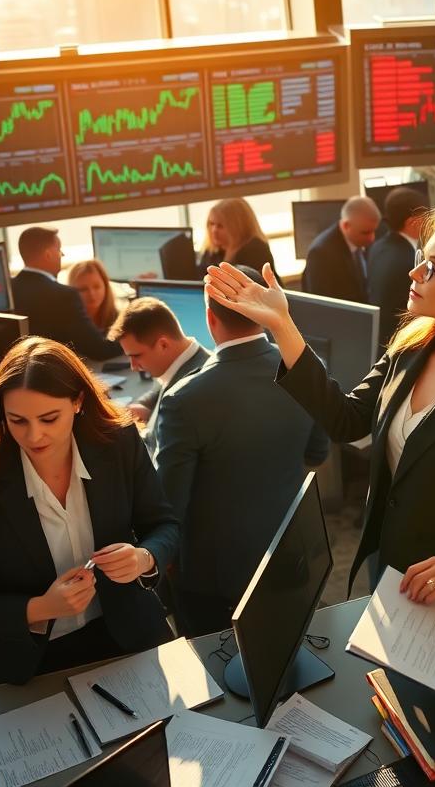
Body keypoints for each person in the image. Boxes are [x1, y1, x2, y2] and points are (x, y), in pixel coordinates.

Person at [204, 207, 435, 600]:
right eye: (421, 259)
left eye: (434, 268)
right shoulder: (410, 350)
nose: (414, 274)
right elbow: (346, 420)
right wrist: (282, 324)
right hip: (389, 563)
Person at [0, 337, 179, 689]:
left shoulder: (120, 443)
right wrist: (39, 608)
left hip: (122, 634)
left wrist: (144, 558)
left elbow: (163, 525)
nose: (34, 435)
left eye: (49, 418)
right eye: (17, 420)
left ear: (78, 402)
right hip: (23, 656)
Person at [153, 266, 329, 636]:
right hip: (287, 553)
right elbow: (317, 451)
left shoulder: (183, 399)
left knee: (215, 673)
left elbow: (168, 504)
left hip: (211, 578)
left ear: (209, 319)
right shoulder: (306, 371)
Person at [107, 298, 210, 446]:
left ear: (163, 345)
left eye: (136, 356)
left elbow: (157, 453)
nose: (133, 367)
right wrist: (145, 406)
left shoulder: (185, 397)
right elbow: (163, 384)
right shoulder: (188, 362)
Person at [11, 227, 122, 361]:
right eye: (58, 250)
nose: (61, 255)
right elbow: (99, 350)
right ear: (48, 255)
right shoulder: (64, 296)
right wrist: (136, 342)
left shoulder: (9, 289)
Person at [368, 187, 429, 347]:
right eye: (426, 217)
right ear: (412, 222)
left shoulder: (377, 247)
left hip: (378, 338)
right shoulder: (408, 264)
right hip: (400, 344)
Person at [301, 196, 380, 303]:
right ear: (346, 225)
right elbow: (323, 304)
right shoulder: (321, 254)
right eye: (365, 233)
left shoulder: (363, 236)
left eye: (373, 231)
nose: (372, 238)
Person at [196, 197, 276, 277]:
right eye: (211, 224)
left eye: (220, 226)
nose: (214, 230)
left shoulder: (255, 249)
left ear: (238, 227)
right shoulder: (212, 250)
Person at [67, 259, 119, 335]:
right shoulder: (65, 323)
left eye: (97, 287)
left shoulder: (119, 320)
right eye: (83, 289)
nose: (91, 294)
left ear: (106, 286)